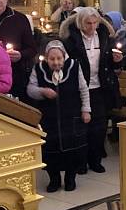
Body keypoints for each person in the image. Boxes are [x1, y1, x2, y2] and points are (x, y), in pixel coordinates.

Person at [60, 7, 123, 173]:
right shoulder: (71, 40)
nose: (92, 26)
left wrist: (116, 60)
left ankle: (95, 160)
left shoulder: (103, 37)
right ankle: (81, 162)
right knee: (81, 127)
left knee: (99, 127)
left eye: (95, 23)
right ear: (81, 23)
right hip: (80, 89)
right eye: (88, 23)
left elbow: (109, 63)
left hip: (100, 87)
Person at [27, 41, 90, 192]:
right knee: (50, 150)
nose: (56, 62)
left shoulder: (74, 66)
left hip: (71, 115)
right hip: (49, 117)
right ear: (46, 58)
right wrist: (42, 91)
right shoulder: (39, 68)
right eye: (52, 59)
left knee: (72, 150)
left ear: (64, 57)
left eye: (59, 59)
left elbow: (83, 89)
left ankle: (70, 178)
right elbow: (30, 89)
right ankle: (54, 179)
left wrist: (86, 110)